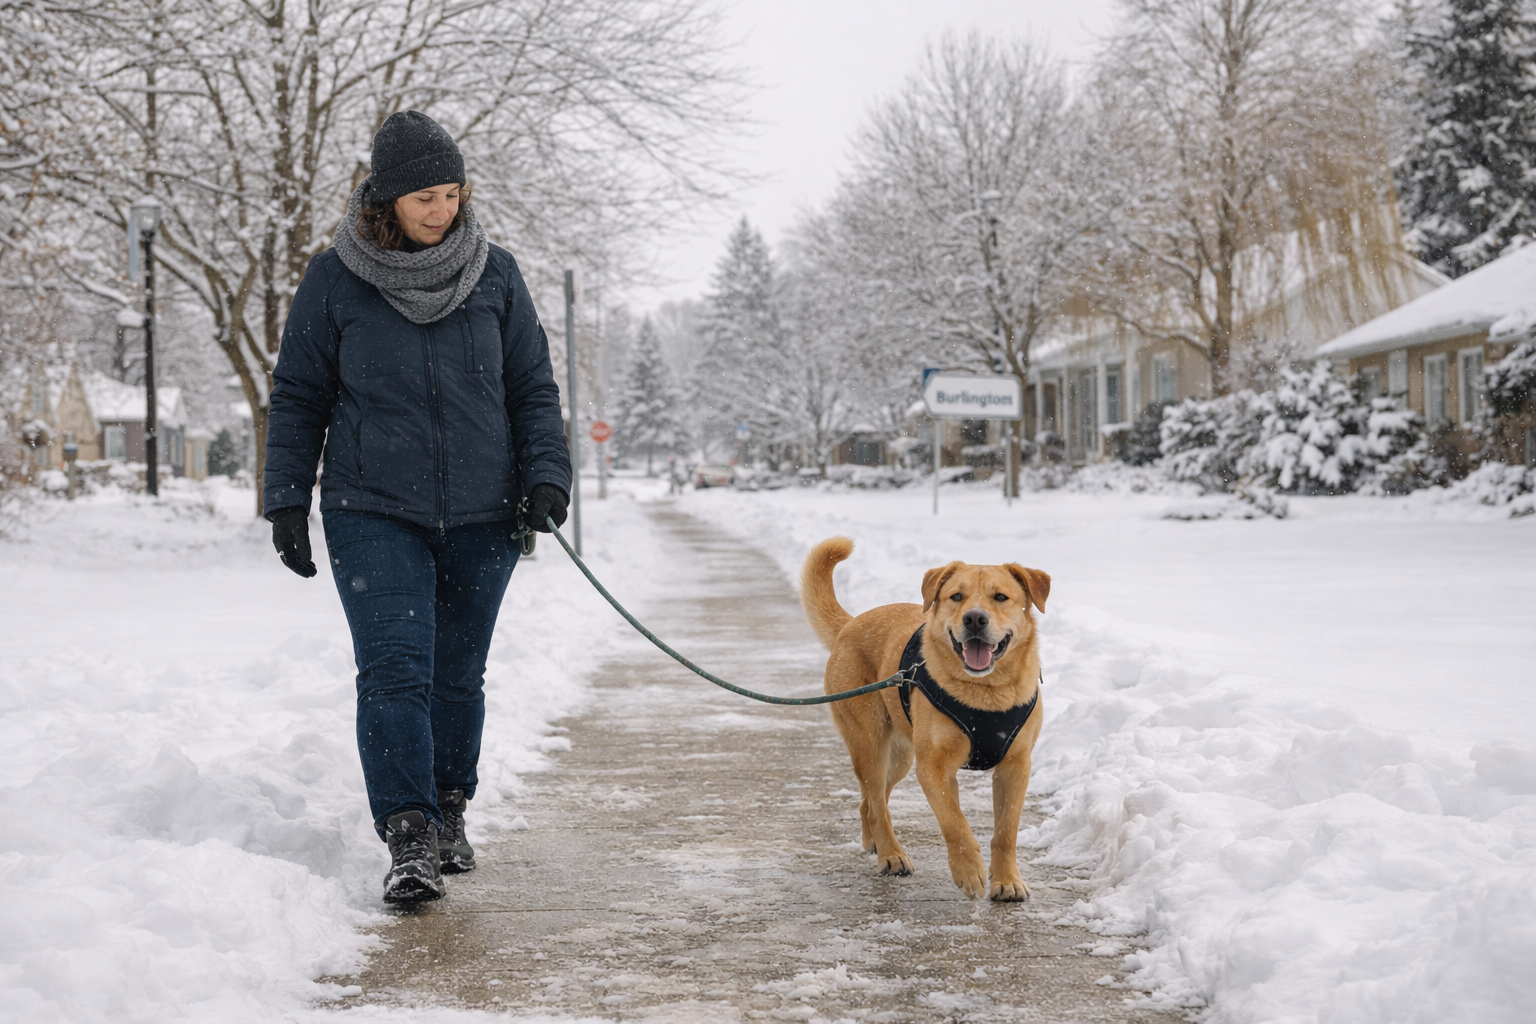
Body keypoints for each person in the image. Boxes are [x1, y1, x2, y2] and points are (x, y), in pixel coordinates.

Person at [262, 110, 571, 904]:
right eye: (425, 197)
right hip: (373, 508)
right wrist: (287, 498)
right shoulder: (336, 278)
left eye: (452, 193)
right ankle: (407, 832)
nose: (442, 210)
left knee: (456, 676)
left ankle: (450, 810)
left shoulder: (495, 273)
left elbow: (531, 387)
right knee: (395, 671)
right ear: (387, 199)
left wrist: (546, 476)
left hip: (483, 509)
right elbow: (300, 395)